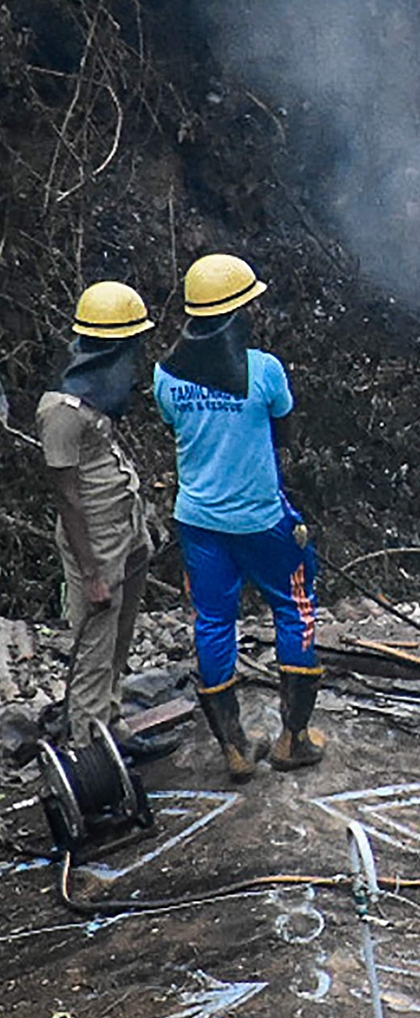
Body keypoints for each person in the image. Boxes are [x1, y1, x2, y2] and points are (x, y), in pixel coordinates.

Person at [155, 254, 325, 780]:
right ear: (235, 314)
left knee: (212, 622)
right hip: (261, 522)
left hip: (200, 523)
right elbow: (284, 435)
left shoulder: (165, 376)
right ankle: (292, 739)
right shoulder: (264, 370)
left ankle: (232, 747)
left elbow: (176, 428)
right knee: (295, 608)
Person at [36, 282, 182, 762]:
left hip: (125, 530)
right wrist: (93, 572)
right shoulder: (60, 412)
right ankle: (89, 751)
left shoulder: (94, 396)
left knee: (119, 639)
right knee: (95, 647)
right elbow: (67, 495)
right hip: (94, 543)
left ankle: (112, 728)